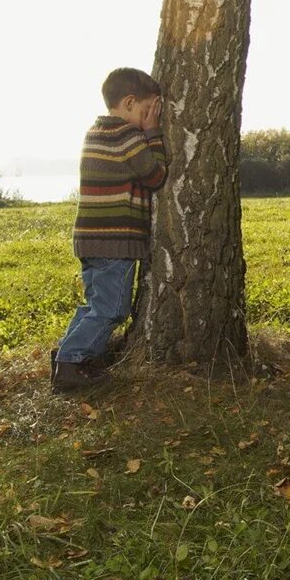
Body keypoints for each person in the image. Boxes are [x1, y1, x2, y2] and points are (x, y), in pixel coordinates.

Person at [52, 68, 167, 390]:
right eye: (147, 110)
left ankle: (68, 354)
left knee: (95, 304)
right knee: (112, 309)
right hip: (113, 241)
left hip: (90, 239)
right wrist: (153, 132)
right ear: (130, 103)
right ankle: (70, 362)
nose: (149, 117)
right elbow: (155, 176)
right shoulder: (127, 136)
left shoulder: (97, 131)